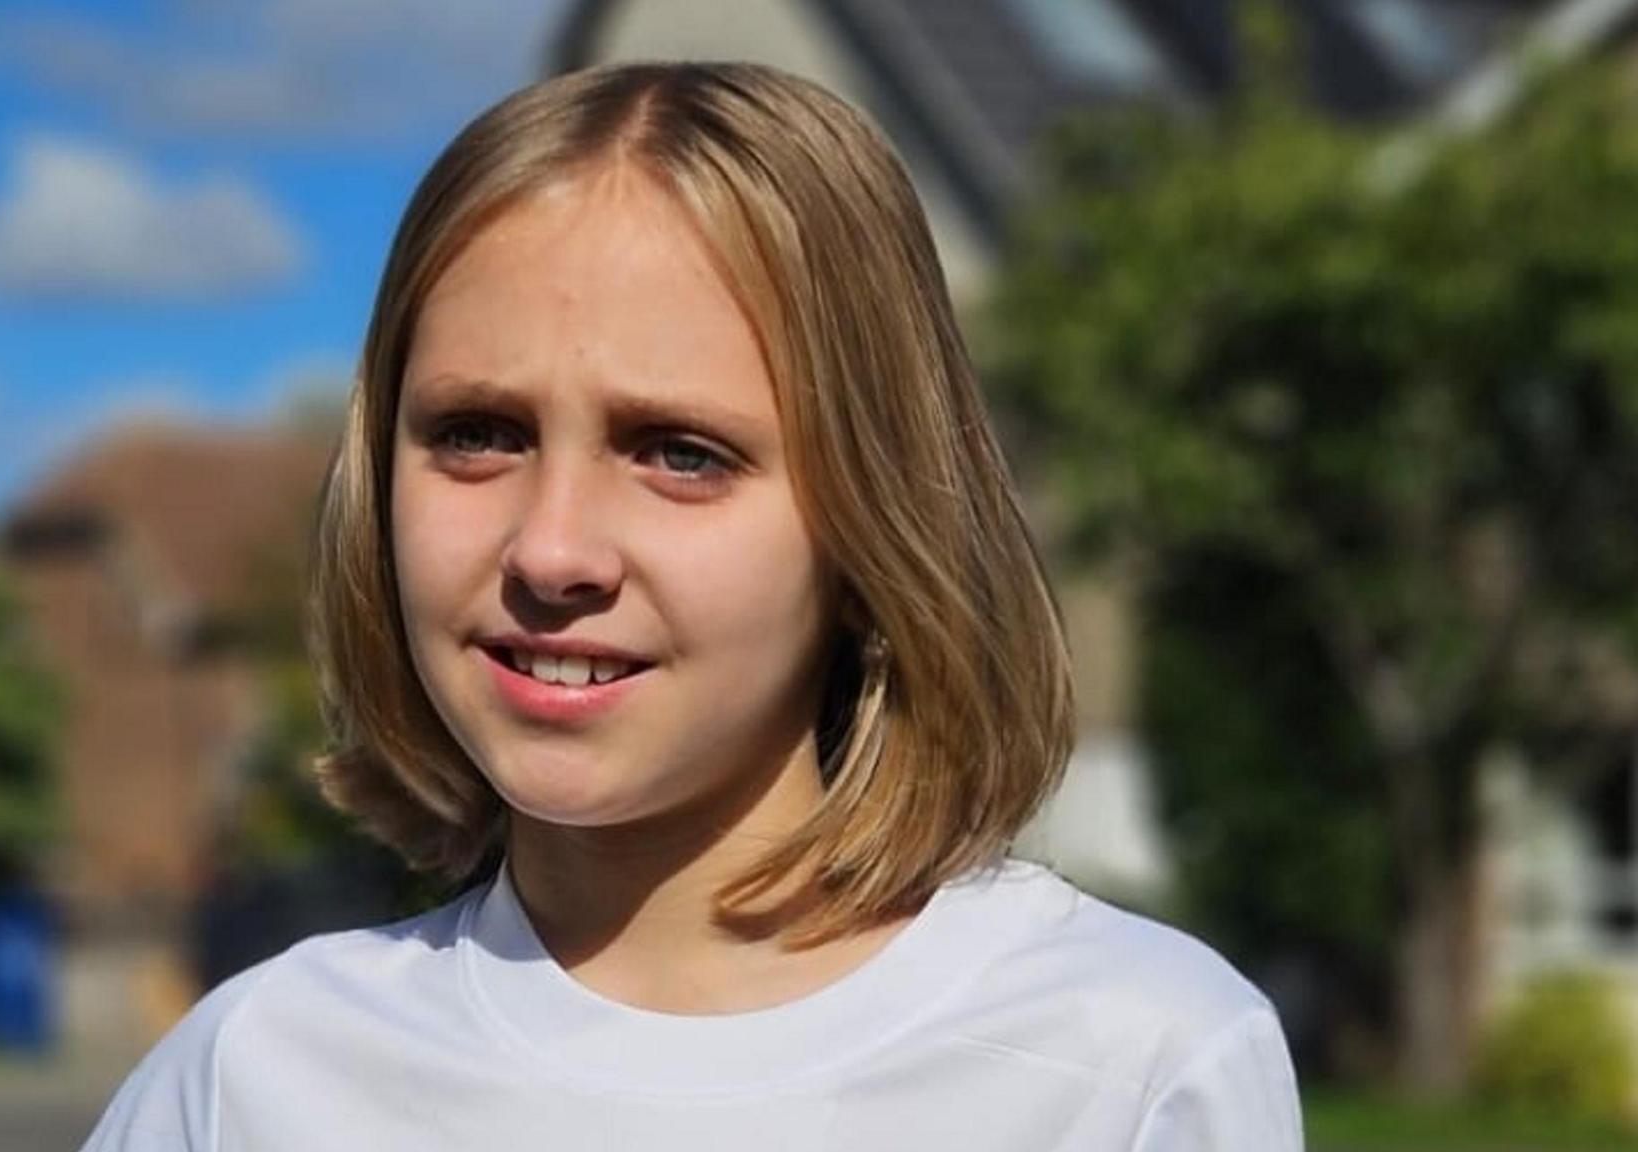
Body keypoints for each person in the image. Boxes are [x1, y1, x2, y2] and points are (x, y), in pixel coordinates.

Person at [79, 61, 1304, 1151]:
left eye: (678, 452)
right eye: (476, 434)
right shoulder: (251, 1082)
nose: (551, 550)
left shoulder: (1127, 1068)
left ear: (872, 521)